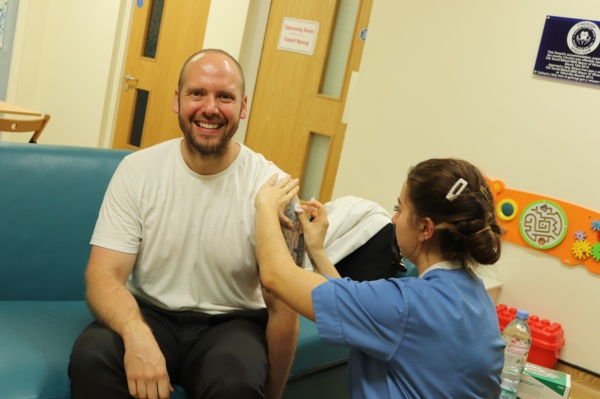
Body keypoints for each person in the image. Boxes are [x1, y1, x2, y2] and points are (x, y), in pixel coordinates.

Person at [69, 49, 299, 399]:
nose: (210, 108)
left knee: (236, 380)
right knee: (94, 356)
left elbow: (284, 309)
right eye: (197, 93)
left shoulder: (273, 189)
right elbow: (102, 275)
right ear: (177, 100)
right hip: (149, 313)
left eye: (225, 96)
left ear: (244, 106)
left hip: (231, 324)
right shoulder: (137, 171)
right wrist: (135, 332)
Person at [255, 158, 505, 398]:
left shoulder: (407, 305)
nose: (393, 219)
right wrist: (317, 251)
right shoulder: (477, 296)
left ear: (425, 228)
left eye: (400, 209)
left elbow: (276, 276)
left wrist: (265, 205)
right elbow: (353, 303)